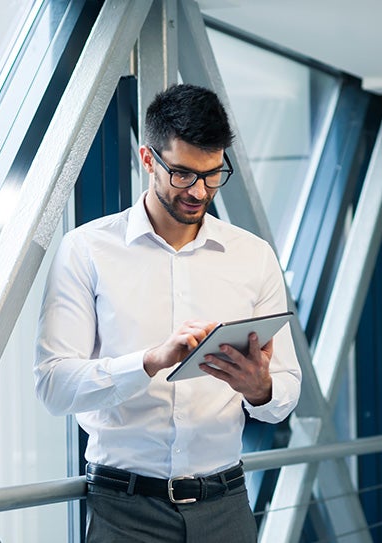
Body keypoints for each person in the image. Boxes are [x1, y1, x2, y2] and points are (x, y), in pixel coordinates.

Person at [35, 83, 301, 542]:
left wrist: (261, 390)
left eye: (213, 174)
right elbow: (54, 388)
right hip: (124, 512)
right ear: (147, 159)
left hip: (227, 507)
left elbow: (285, 393)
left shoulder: (254, 257)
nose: (199, 191)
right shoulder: (87, 250)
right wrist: (149, 361)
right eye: (182, 173)